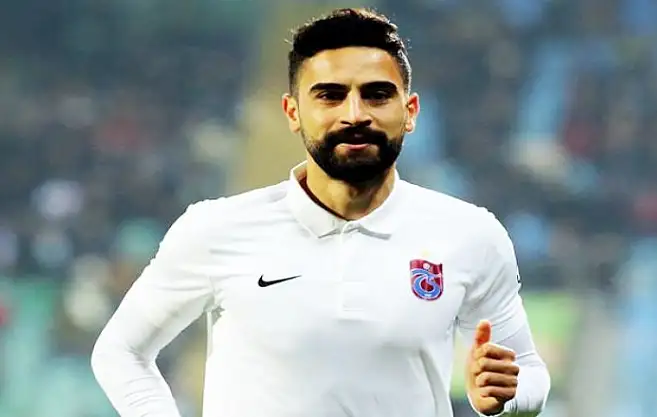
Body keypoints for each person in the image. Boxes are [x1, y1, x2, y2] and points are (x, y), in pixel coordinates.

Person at [91, 8, 550, 417]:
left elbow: (528, 372)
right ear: (293, 112)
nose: (355, 114)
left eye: (377, 95)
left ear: (410, 111)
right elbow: (120, 352)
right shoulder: (216, 228)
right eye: (330, 95)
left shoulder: (469, 234)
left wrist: (509, 399)